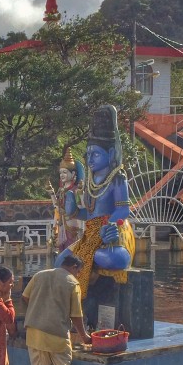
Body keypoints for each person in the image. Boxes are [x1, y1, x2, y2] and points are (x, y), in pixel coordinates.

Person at [56, 105, 134, 292]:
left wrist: (110, 225)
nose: (90, 159)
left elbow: (123, 209)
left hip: (111, 232)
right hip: (90, 233)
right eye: (88, 154)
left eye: (96, 154)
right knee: (60, 261)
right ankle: (76, 295)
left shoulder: (117, 178)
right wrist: (73, 210)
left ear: (111, 155)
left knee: (115, 259)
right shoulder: (90, 181)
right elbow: (89, 213)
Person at [22, 255, 92, 365]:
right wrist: (84, 336)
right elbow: (76, 315)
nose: (78, 274)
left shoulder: (39, 275)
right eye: (78, 271)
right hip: (57, 333)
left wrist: (38, 308)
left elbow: (25, 297)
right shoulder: (73, 283)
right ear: (74, 267)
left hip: (34, 331)